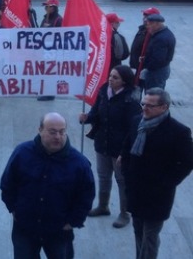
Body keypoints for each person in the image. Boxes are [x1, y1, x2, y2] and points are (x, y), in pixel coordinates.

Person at [0, 112, 95, 259]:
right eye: (52, 132)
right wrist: (13, 209)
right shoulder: (22, 153)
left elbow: (86, 196)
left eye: (62, 131)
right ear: (40, 130)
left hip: (59, 232)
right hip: (25, 229)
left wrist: (72, 222)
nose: (58, 136)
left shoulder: (79, 163)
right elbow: (8, 184)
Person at [121, 88, 193, 259]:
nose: (144, 108)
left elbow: (187, 162)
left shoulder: (179, 132)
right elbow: (126, 149)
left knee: (150, 236)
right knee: (138, 230)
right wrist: (126, 173)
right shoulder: (136, 121)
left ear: (164, 107)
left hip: (158, 194)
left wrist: (167, 182)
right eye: (143, 103)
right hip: (136, 190)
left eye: (150, 105)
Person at [79, 65, 141, 229]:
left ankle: (124, 213)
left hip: (120, 147)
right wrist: (87, 118)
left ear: (124, 82)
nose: (110, 79)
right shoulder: (104, 90)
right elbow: (96, 110)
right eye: (111, 76)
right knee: (103, 176)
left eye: (115, 78)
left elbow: (133, 128)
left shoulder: (131, 99)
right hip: (102, 142)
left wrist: (125, 152)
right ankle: (103, 206)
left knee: (122, 180)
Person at [139, 14, 175, 90]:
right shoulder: (164, 33)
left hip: (156, 72)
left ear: (158, 24)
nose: (148, 27)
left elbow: (158, 59)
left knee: (153, 93)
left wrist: (147, 65)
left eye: (150, 24)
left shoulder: (160, 39)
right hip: (160, 70)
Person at [38, 0, 63, 101]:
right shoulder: (46, 19)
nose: (45, 9)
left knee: (50, 72)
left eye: (47, 7)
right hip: (45, 49)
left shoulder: (58, 20)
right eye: (45, 7)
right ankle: (46, 90)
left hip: (53, 51)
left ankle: (50, 93)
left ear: (53, 8)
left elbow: (61, 35)